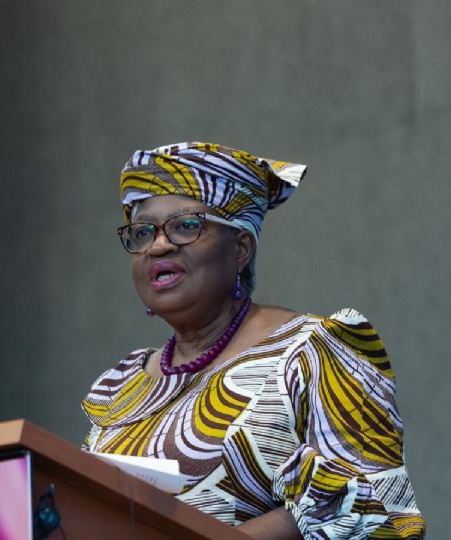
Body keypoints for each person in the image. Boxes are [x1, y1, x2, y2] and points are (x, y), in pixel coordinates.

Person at [81, 142, 426, 539]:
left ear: (241, 248)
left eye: (186, 226)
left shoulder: (311, 350)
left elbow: (372, 505)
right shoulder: (120, 386)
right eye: (143, 232)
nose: (159, 245)